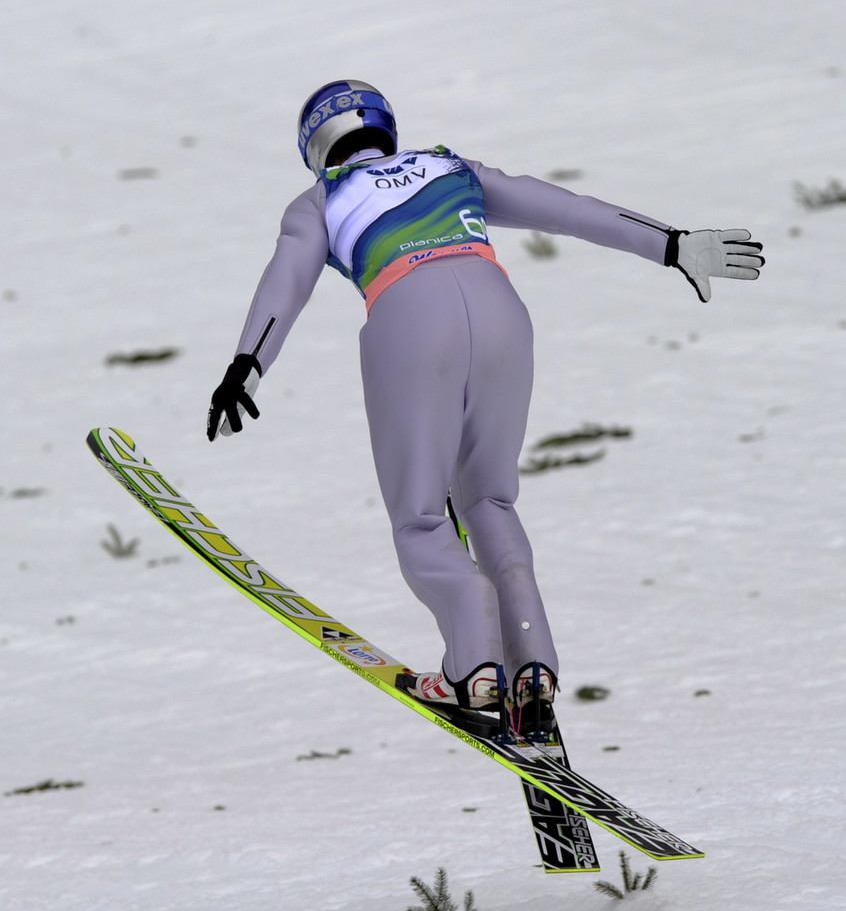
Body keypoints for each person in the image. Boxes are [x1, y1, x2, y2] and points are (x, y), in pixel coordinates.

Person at [206, 79, 764, 715]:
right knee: (490, 499)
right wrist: (671, 243)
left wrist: (247, 365)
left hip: (408, 318)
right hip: (501, 311)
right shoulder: (451, 166)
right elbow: (567, 208)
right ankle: (530, 662)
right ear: (384, 124)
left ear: (315, 146)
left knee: (420, 514)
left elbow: (286, 284)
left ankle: (473, 663)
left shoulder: (319, 201)